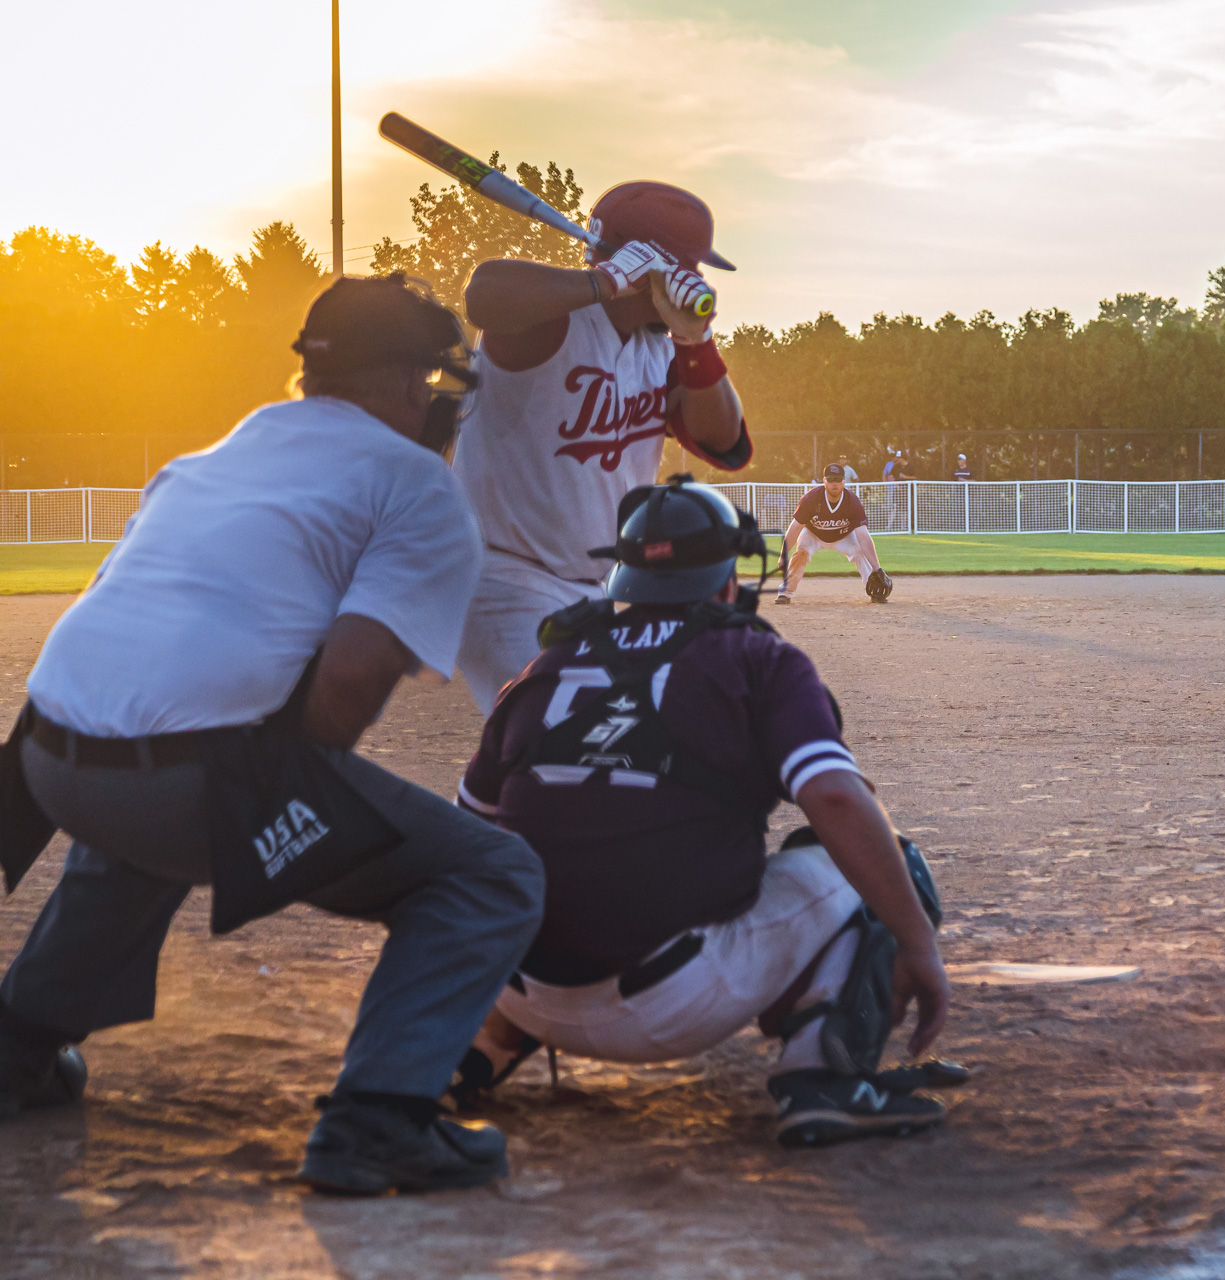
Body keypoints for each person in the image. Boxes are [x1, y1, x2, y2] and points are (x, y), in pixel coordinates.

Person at [0, 274, 545, 1193]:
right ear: (409, 384)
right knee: (491, 873)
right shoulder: (417, 481)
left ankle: (14, 1048)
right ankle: (380, 1117)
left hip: (45, 755)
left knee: (159, 809)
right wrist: (277, 810)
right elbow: (347, 687)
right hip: (175, 783)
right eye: (429, 380)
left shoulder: (226, 448)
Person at [450, 479, 957, 1146]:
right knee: (882, 857)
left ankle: (474, 1050)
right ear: (727, 581)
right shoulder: (756, 657)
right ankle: (824, 1079)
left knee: (548, 863)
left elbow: (469, 834)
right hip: (673, 1004)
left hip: (517, 984)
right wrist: (918, 942)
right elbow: (835, 798)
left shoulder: (546, 664)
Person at [454, 180, 754, 714]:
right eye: (690, 266)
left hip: (597, 589)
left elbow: (723, 440)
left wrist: (697, 341)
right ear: (654, 266)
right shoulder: (550, 322)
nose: (698, 281)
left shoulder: (660, 349)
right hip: (503, 577)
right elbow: (485, 293)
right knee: (568, 741)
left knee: (618, 741)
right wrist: (605, 281)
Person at [777, 465, 893, 604]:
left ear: (844, 481)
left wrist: (877, 568)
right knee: (801, 553)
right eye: (830, 479)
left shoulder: (852, 501)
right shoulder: (811, 498)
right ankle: (786, 592)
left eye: (838, 480)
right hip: (814, 534)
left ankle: (875, 592)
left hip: (843, 536)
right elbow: (795, 527)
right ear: (824, 481)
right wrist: (783, 554)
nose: (834, 484)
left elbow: (863, 535)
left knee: (860, 551)